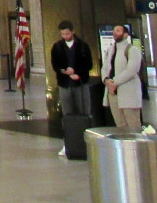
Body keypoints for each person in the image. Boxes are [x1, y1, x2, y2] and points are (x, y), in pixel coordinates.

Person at [50, 19, 94, 156]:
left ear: (72, 32)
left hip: (81, 84)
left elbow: (89, 64)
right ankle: (68, 143)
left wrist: (77, 73)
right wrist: (64, 71)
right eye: (63, 34)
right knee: (67, 114)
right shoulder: (57, 47)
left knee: (83, 111)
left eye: (67, 34)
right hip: (65, 84)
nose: (65, 36)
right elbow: (55, 65)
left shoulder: (83, 46)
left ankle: (86, 143)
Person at [101, 24, 143, 130]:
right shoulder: (110, 50)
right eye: (114, 31)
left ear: (125, 34)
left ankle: (135, 146)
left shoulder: (132, 49)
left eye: (118, 31)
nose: (115, 33)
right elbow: (105, 68)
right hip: (113, 93)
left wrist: (114, 82)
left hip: (128, 92)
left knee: (133, 125)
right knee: (120, 125)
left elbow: (132, 70)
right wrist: (106, 80)